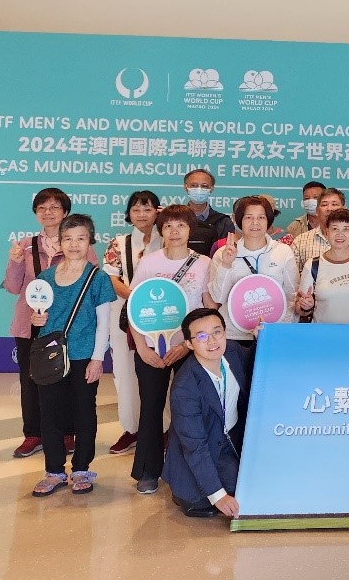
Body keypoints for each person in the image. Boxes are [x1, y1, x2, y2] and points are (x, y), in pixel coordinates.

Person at [128, 204, 216, 496]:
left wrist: (186, 345)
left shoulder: (204, 263)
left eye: (181, 225)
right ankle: (148, 471)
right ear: (160, 230)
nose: (174, 232)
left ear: (191, 229)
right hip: (151, 350)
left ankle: (184, 472)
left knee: (187, 411)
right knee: (150, 409)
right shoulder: (149, 263)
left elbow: (208, 309)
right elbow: (135, 307)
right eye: (168, 226)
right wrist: (142, 348)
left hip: (189, 349)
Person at [4, 188, 97, 459]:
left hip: (66, 327)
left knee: (66, 378)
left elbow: (89, 287)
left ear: (65, 212)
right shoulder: (24, 245)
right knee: (31, 381)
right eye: (42, 208)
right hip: (30, 325)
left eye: (54, 207)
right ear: (35, 213)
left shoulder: (81, 244)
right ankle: (33, 434)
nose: (48, 212)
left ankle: (68, 432)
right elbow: (12, 287)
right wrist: (14, 263)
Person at [28, 214, 116, 497]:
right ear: (60, 243)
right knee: (50, 415)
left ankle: (81, 469)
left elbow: (104, 322)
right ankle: (54, 471)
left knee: (83, 413)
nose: (74, 244)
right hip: (51, 356)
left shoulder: (98, 277)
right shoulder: (45, 278)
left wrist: (97, 358)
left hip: (83, 357)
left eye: (80, 238)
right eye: (68, 238)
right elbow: (40, 314)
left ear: (90, 241)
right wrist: (36, 319)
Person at [163, 308, 253, 519]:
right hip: (203, 449)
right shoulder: (185, 388)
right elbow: (194, 446)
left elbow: (258, 360)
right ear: (189, 344)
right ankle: (187, 492)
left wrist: (262, 336)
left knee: (259, 480)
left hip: (231, 440)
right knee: (237, 488)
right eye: (201, 336)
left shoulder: (233, 351)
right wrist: (219, 496)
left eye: (217, 332)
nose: (212, 341)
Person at [101, 190, 163, 456]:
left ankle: (165, 430)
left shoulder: (168, 238)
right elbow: (111, 279)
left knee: (163, 370)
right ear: (129, 214)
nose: (141, 215)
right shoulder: (119, 242)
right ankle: (131, 428)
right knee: (125, 372)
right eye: (136, 210)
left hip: (162, 316)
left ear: (157, 212)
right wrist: (137, 298)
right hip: (124, 314)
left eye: (147, 209)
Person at [208, 195, 299, 343]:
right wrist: (226, 265)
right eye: (248, 217)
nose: (255, 223)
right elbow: (218, 298)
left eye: (261, 217)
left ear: (268, 220)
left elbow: (292, 295)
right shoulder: (224, 253)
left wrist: (281, 326)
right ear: (239, 221)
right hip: (234, 335)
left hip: (273, 333)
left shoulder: (283, 251)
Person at [296, 208, 349, 324]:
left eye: (346, 229)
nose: (340, 234)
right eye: (335, 229)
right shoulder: (313, 265)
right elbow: (300, 309)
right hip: (324, 336)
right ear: (326, 232)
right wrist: (305, 306)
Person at [289, 188, 349, 273]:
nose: (329, 209)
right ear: (317, 211)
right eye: (324, 205)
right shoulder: (300, 241)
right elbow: (294, 279)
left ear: (344, 209)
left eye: (334, 204)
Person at [181, 169, 234, 257]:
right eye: (194, 185)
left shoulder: (223, 222)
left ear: (211, 189)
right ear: (186, 187)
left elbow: (227, 254)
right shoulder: (175, 219)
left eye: (204, 186)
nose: (199, 189)